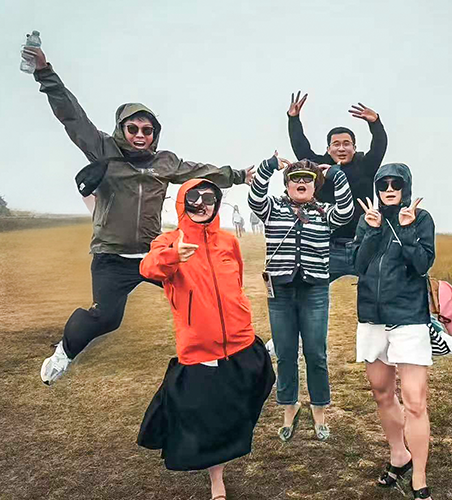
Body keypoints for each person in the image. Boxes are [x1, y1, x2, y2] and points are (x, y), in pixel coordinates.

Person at [23, 46, 254, 385]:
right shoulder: (103, 149)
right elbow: (73, 117)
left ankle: (238, 349)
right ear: (122, 129)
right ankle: (64, 352)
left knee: (204, 293)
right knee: (106, 317)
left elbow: (198, 171)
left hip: (152, 254)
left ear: (155, 134)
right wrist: (45, 73)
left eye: (147, 130)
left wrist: (237, 175)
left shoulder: (164, 161)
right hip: (111, 256)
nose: (141, 136)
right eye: (133, 129)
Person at [138, 179, 275, 500]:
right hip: (200, 347)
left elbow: (236, 281)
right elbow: (148, 268)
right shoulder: (168, 241)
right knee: (209, 415)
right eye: (194, 198)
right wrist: (174, 256)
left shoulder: (228, 241)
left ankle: (235, 437)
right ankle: (217, 481)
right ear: (182, 203)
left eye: (209, 198)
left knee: (260, 383)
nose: (202, 204)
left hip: (241, 339)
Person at [248, 152, 354, 441]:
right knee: (284, 353)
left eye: (307, 178)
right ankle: (289, 406)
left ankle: (319, 409)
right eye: (295, 178)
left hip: (314, 291)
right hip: (280, 292)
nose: (301, 182)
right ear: (287, 184)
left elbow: (346, 212)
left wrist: (337, 175)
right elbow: (255, 199)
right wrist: (269, 166)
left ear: (315, 185)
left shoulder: (325, 212)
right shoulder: (273, 208)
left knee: (316, 353)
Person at [353, 163, 435, 500]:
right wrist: (372, 230)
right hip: (372, 318)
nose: (389, 189)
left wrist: (408, 228)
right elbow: (358, 265)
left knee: (415, 401)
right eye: (383, 184)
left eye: (396, 184)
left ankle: (419, 476)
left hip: (409, 318)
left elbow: (422, 264)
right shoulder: (367, 219)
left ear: (406, 187)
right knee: (382, 392)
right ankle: (399, 455)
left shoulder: (421, 219)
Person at [287, 91, 387, 281]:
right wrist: (293, 119)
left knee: (373, 292)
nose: (341, 148)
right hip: (327, 245)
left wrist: (375, 123)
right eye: (336, 144)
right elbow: (301, 147)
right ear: (328, 149)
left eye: (346, 144)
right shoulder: (320, 167)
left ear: (354, 148)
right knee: (316, 290)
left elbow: (379, 146)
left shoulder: (366, 166)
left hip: (363, 243)